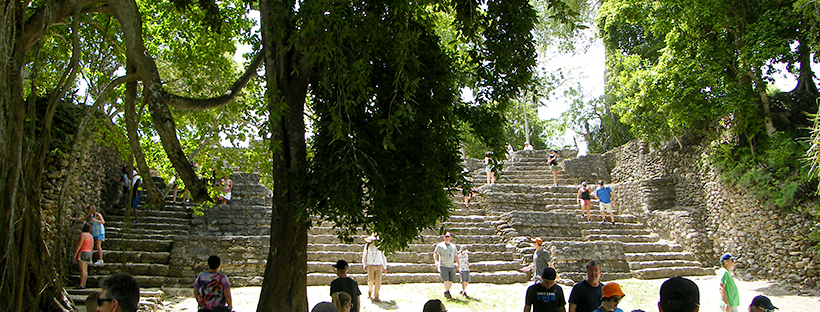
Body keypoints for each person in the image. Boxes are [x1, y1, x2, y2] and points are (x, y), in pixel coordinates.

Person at [433, 231, 459, 299]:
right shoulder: (440, 245)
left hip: (451, 265)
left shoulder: (453, 246)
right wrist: (436, 261)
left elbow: (456, 255)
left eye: (448, 237)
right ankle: (448, 293)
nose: (447, 238)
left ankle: (446, 291)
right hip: (443, 265)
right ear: (444, 237)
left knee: (451, 280)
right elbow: (435, 253)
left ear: (450, 238)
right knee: (446, 279)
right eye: (446, 237)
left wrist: (458, 263)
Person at [362, 234, 387, 301]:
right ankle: (370, 291)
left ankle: (376, 295)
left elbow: (383, 256)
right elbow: (364, 255)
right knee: (370, 280)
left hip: (379, 264)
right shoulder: (367, 246)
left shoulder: (381, 246)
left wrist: (385, 267)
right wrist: (364, 264)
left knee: (378, 281)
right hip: (370, 264)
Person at [73, 223, 93, 289]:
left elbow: (79, 244)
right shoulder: (91, 236)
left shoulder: (82, 235)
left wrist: (75, 254)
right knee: (85, 270)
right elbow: (91, 247)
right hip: (89, 252)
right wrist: (91, 257)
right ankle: (84, 283)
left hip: (83, 252)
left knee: (82, 270)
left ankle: (81, 284)